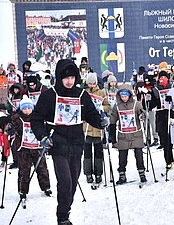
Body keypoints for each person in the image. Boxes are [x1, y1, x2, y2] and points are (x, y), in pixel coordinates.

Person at [30, 59, 108, 225]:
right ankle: (62, 217)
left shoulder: (81, 95)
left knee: (72, 183)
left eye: (72, 77)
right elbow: (36, 119)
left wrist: (101, 122)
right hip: (58, 144)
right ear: (59, 77)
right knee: (65, 182)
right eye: (66, 78)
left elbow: (91, 114)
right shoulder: (49, 95)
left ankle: (66, 210)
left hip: (77, 144)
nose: (69, 81)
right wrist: (43, 137)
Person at [10, 95, 52, 200]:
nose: (27, 110)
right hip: (23, 148)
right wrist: (10, 129)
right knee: (24, 170)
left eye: (29, 108)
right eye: (24, 108)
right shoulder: (17, 118)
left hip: (37, 147)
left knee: (42, 169)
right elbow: (12, 127)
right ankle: (22, 190)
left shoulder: (37, 117)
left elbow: (45, 127)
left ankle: (46, 187)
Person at [109, 84, 147, 185]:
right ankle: (122, 175)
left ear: (129, 95)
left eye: (125, 96)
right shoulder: (117, 106)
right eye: (122, 96)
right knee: (122, 156)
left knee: (139, 155)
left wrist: (143, 115)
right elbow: (113, 120)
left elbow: (142, 113)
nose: (124, 98)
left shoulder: (136, 104)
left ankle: (142, 173)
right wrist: (112, 137)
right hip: (123, 135)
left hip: (136, 134)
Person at [83, 72, 110, 184]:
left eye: (93, 83)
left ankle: (99, 173)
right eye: (89, 83)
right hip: (87, 127)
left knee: (98, 152)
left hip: (98, 127)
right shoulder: (84, 93)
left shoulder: (102, 92)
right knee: (87, 152)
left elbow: (108, 107)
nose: (92, 85)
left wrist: (102, 108)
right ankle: (88, 173)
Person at [155, 71, 174, 168]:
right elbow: (152, 104)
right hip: (160, 116)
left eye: (164, 77)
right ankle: (168, 160)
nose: (163, 79)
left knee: (173, 137)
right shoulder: (155, 88)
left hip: (171, 114)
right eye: (161, 77)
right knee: (164, 140)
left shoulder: (172, 88)